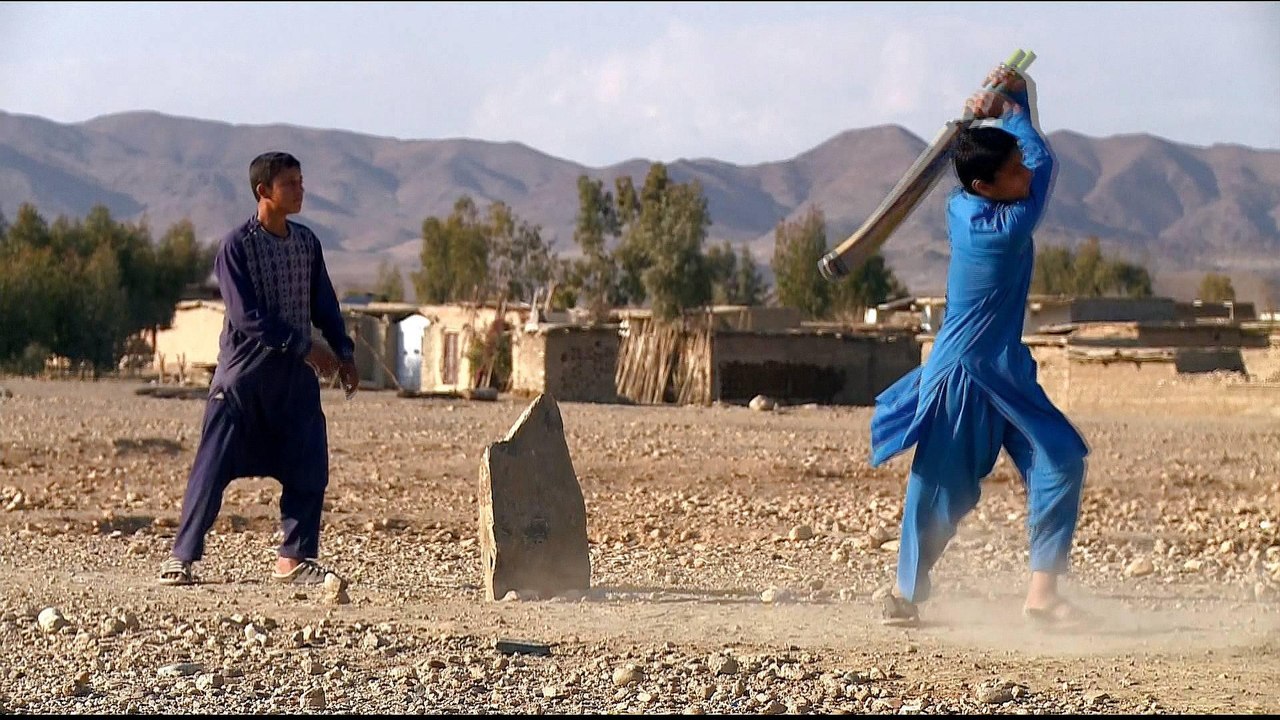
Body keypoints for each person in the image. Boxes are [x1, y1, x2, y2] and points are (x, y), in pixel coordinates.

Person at [869, 64, 1091, 628]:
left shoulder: (963, 206)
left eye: (1017, 165)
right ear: (985, 186)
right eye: (1010, 172)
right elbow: (1043, 162)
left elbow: (1026, 162)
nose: (1024, 176)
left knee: (1059, 458)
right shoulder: (1007, 226)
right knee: (940, 485)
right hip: (966, 374)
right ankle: (906, 594)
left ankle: (1042, 595)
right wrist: (1017, 107)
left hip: (1005, 369)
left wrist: (1009, 105)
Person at [158, 151, 359, 587]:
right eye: (290, 183)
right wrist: (304, 348)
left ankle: (296, 556)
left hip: (293, 385)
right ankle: (182, 556)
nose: (300, 190)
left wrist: (343, 352)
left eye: (302, 181)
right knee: (210, 470)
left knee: (310, 463)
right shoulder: (236, 247)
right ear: (263, 192)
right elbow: (247, 315)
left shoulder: (307, 244)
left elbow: (324, 304)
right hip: (243, 382)